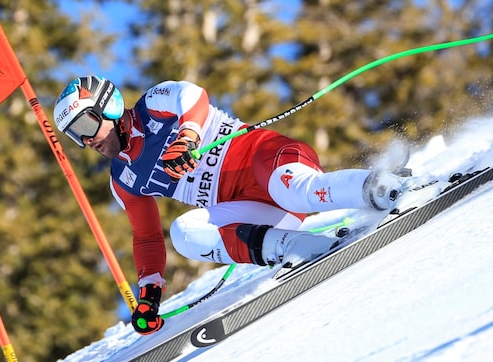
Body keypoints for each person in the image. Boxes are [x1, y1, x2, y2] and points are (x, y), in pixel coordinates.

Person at [53, 76, 418, 335]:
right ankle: (305, 249)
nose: (86, 140)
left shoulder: (152, 107)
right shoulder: (123, 179)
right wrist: (149, 295)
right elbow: (147, 237)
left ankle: (386, 187)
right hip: (251, 208)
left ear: (110, 106)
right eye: (75, 134)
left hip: (267, 160)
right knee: (185, 233)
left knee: (295, 189)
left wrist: (188, 136)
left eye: (86, 123)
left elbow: (193, 96)